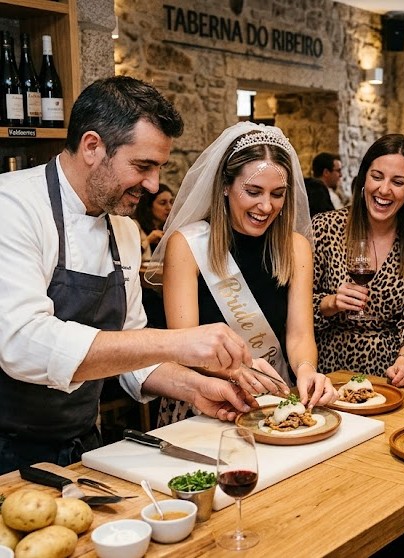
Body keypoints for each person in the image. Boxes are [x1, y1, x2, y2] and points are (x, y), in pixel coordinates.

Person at [0, 76, 259, 474]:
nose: (154, 185)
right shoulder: (12, 206)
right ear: (92, 146)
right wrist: (177, 342)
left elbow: (131, 353)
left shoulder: (121, 227)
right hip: (6, 450)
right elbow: (24, 344)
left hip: (83, 444)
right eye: (143, 166)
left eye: (159, 169)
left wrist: (198, 388)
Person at [151, 122, 337, 425]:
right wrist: (239, 370)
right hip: (207, 400)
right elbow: (185, 349)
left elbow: (300, 334)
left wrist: (305, 369)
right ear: (225, 185)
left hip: (273, 405)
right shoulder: (187, 245)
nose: (266, 206)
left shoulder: (295, 247)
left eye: (278, 194)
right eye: (253, 191)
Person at [312, 134, 404, 387]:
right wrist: (332, 302)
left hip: (388, 377)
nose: (384, 190)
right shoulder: (325, 227)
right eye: (377, 176)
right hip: (329, 372)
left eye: (398, 182)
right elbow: (296, 313)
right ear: (363, 179)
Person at [134, 183, 174, 263]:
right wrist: (149, 240)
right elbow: (129, 258)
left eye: (171, 202)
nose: (169, 207)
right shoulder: (134, 226)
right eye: (163, 203)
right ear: (148, 206)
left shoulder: (168, 229)